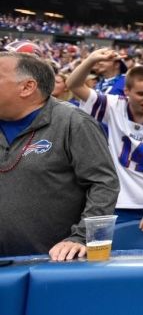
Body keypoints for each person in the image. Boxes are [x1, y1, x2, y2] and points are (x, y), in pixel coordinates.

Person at [0, 52, 119, 259]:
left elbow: (103, 183)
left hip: (50, 262)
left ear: (27, 87)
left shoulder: (73, 122)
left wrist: (81, 237)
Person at [68, 53, 143, 230]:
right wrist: (91, 60)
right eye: (141, 94)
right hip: (121, 199)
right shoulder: (113, 105)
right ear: (127, 92)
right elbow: (74, 85)